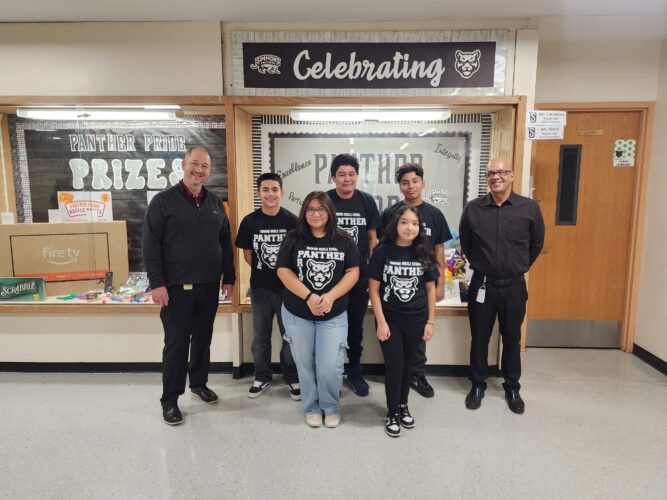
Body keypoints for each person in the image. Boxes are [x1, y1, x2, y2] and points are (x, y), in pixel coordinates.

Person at [142, 146, 236, 426]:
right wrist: (157, 284)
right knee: (176, 344)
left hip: (209, 287)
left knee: (203, 340)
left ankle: (199, 383)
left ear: (210, 171)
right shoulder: (162, 202)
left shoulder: (216, 204)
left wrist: (228, 277)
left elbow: (225, 244)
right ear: (183, 164)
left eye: (205, 166)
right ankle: (169, 400)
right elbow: (150, 245)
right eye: (195, 164)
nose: (199, 170)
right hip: (174, 288)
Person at [459, 157, 544, 414]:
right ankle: (477, 384)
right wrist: (483, 265)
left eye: (501, 172)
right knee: (479, 338)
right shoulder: (474, 209)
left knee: (512, 337)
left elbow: (536, 245)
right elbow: (467, 243)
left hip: (513, 287)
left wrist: (516, 266)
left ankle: (512, 386)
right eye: (491, 173)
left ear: (512, 175)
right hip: (482, 284)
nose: (496, 177)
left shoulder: (528, 208)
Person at [276, 191, 360, 428]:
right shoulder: (293, 238)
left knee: (330, 365)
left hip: (333, 315)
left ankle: (331, 406)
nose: (315, 214)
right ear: (304, 212)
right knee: (304, 362)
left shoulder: (343, 239)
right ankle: (311, 407)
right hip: (297, 313)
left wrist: (330, 296)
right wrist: (309, 296)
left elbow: (353, 271)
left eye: (321, 209)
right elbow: (283, 271)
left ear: (329, 212)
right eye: (310, 209)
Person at [379, 163, 452, 398]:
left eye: (415, 181)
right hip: (394, 282)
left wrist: (440, 282)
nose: (410, 186)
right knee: (393, 330)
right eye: (405, 182)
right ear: (400, 186)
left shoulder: (434, 214)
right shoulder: (391, 214)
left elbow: (439, 249)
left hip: (423, 284)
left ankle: (417, 373)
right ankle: (397, 372)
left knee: (419, 331)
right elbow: (382, 248)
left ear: (423, 183)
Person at [369, 206, 438, 437]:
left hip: (416, 321)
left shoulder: (423, 251)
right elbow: (374, 290)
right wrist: (381, 321)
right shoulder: (382, 251)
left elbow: (430, 290)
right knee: (395, 367)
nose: (410, 228)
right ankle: (391, 412)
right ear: (395, 225)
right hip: (390, 321)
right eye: (405, 222)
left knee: (409, 367)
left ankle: (403, 405)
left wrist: (430, 322)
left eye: (415, 224)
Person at [236, 173, 300, 400]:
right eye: (265, 190)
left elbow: (297, 255)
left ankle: (292, 377)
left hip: (288, 290)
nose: (270, 194)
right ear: (259, 193)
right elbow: (247, 254)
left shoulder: (292, 221)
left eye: (274, 189)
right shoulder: (249, 222)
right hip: (260, 289)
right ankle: (262, 376)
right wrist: (265, 269)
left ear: (281, 192)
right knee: (260, 336)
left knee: (290, 336)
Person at [326, 153, 380, 397]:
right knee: (331, 328)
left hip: (358, 276)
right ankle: (332, 374)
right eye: (341, 174)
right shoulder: (325, 201)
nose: (347, 179)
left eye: (351, 174)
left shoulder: (367, 201)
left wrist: (373, 273)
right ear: (333, 177)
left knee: (355, 328)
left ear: (356, 176)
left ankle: (355, 373)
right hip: (329, 277)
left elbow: (371, 239)